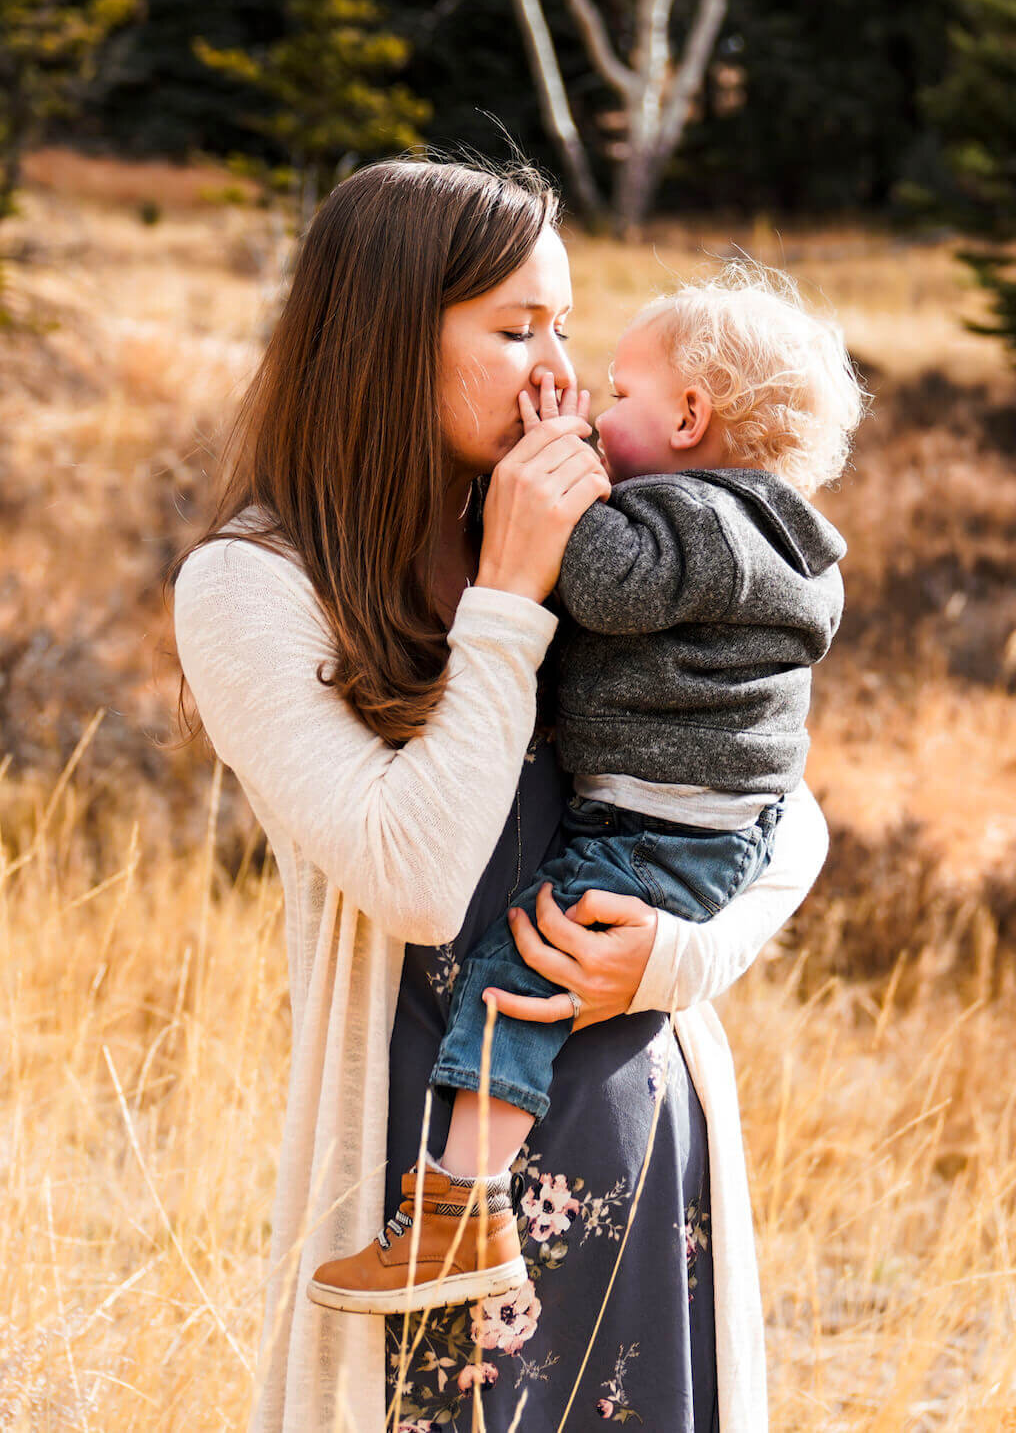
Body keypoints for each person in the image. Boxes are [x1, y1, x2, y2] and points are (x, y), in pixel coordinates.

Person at [172, 157, 832, 1433]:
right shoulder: (254, 585)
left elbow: (782, 806)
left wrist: (683, 957)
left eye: (567, 331)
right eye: (515, 328)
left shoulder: (612, 536)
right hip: (425, 1183)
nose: (561, 375)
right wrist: (505, 599)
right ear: (385, 337)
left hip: (644, 1130)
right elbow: (413, 879)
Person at [308, 265, 859, 1318]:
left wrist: (543, 465)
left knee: (527, 967)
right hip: (697, 821)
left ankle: (461, 1208)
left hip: (653, 822)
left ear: (689, 417)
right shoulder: (774, 535)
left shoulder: (700, 519)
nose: (588, 409)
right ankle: (462, 1206)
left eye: (614, 394)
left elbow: (605, 580)